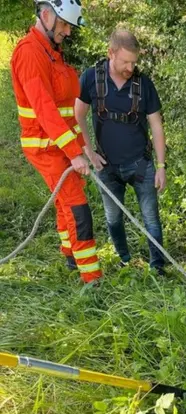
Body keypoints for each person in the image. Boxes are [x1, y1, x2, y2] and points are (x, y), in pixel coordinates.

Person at [10, 0, 102, 284]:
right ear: (46, 15)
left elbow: (66, 111)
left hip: (61, 145)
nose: (68, 32)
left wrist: (81, 148)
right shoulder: (30, 54)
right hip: (45, 147)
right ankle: (92, 279)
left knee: (67, 202)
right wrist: (75, 152)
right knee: (77, 207)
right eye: (64, 25)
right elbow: (45, 110)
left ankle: (70, 255)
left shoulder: (53, 53)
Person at [75, 29, 167, 275]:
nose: (130, 67)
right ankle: (124, 259)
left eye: (134, 62)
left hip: (140, 165)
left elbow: (156, 126)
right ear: (111, 53)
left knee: (151, 218)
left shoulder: (143, 84)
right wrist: (88, 152)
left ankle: (158, 267)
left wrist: (160, 166)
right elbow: (78, 115)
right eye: (125, 61)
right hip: (106, 166)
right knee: (113, 218)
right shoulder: (91, 78)